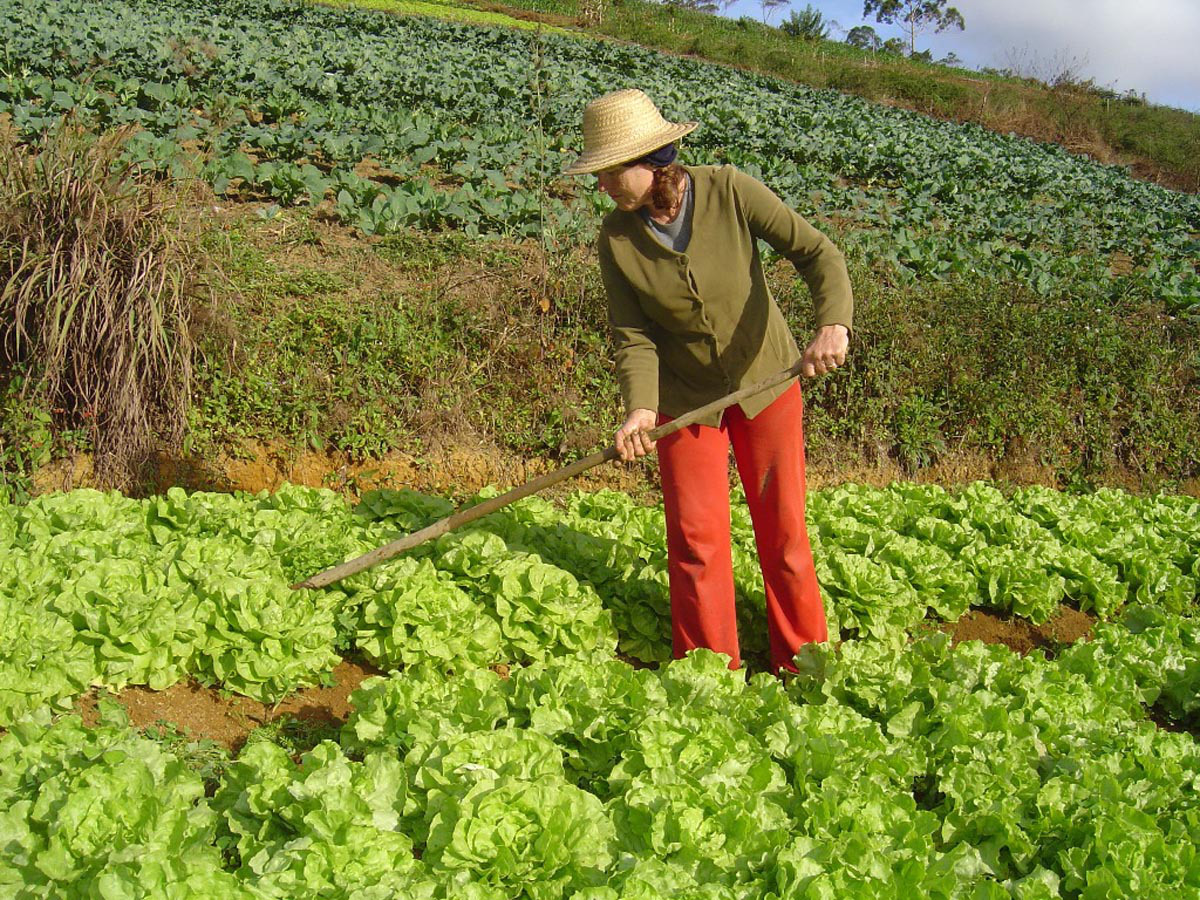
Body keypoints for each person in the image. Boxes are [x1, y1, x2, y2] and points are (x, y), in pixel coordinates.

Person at [563, 88, 853, 674]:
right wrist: (641, 410)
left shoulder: (729, 190)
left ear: (652, 160)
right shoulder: (616, 238)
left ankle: (804, 664)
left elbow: (818, 253)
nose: (602, 186)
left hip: (767, 381)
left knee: (784, 532)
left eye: (610, 171)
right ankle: (708, 676)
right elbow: (633, 333)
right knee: (696, 542)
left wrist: (833, 325)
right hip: (684, 400)